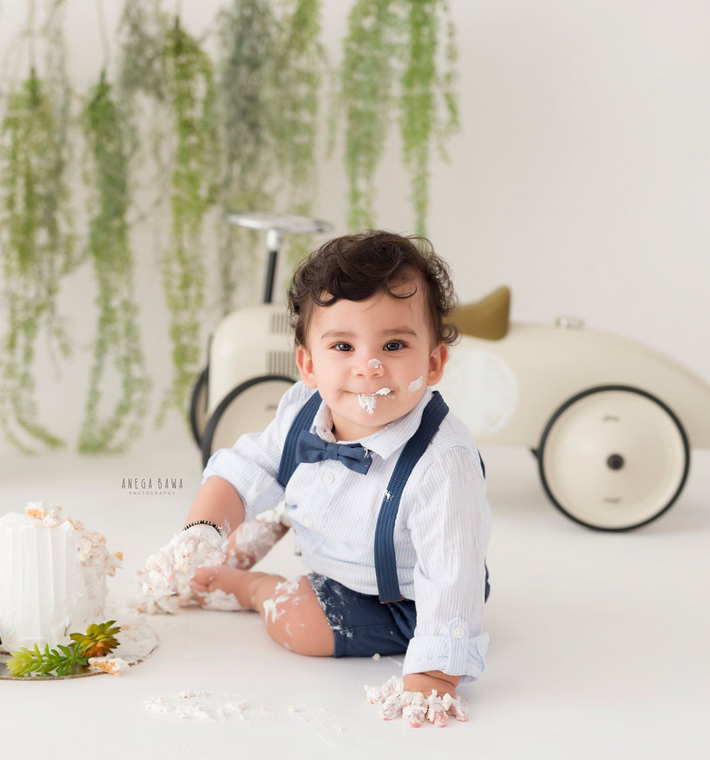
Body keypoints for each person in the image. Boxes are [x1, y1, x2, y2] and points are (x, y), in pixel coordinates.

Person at [184, 229, 491, 703]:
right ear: (307, 365)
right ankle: (218, 552)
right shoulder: (303, 407)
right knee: (265, 498)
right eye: (343, 347)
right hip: (330, 518)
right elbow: (248, 466)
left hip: (395, 599)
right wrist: (203, 526)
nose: (367, 366)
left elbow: (452, 576)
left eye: (393, 347)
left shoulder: (442, 463)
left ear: (433, 364)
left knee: (300, 625)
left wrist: (433, 675)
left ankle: (252, 587)